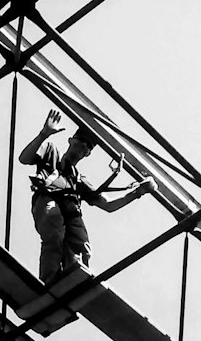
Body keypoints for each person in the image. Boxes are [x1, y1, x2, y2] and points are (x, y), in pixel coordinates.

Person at [17, 108, 157, 284]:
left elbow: (108, 205)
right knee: (54, 232)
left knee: (82, 248)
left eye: (87, 146)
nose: (82, 147)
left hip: (70, 210)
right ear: (71, 140)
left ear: (88, 153)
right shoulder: (52, 154)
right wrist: (43, 135)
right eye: (80, 142)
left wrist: (137, 192)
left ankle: (75, 278)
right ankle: (50, 281)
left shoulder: (79, 180)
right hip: (49, 198)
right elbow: (24, 158)